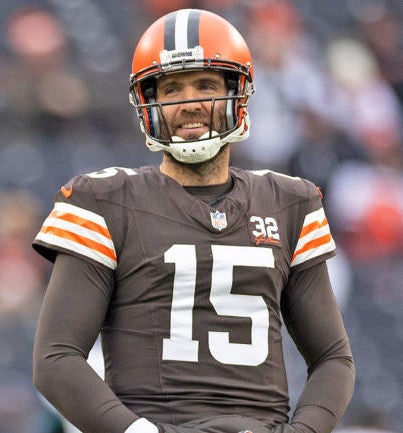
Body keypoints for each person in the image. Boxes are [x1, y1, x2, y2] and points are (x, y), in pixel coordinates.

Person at [32, 9, 354, 433]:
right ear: (149, 104)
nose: (189, 103)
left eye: (205, 85)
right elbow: (56, 358)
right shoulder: (105, 201)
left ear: (238, 94)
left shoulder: (289, 203)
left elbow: (333, 357)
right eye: (171, 89)